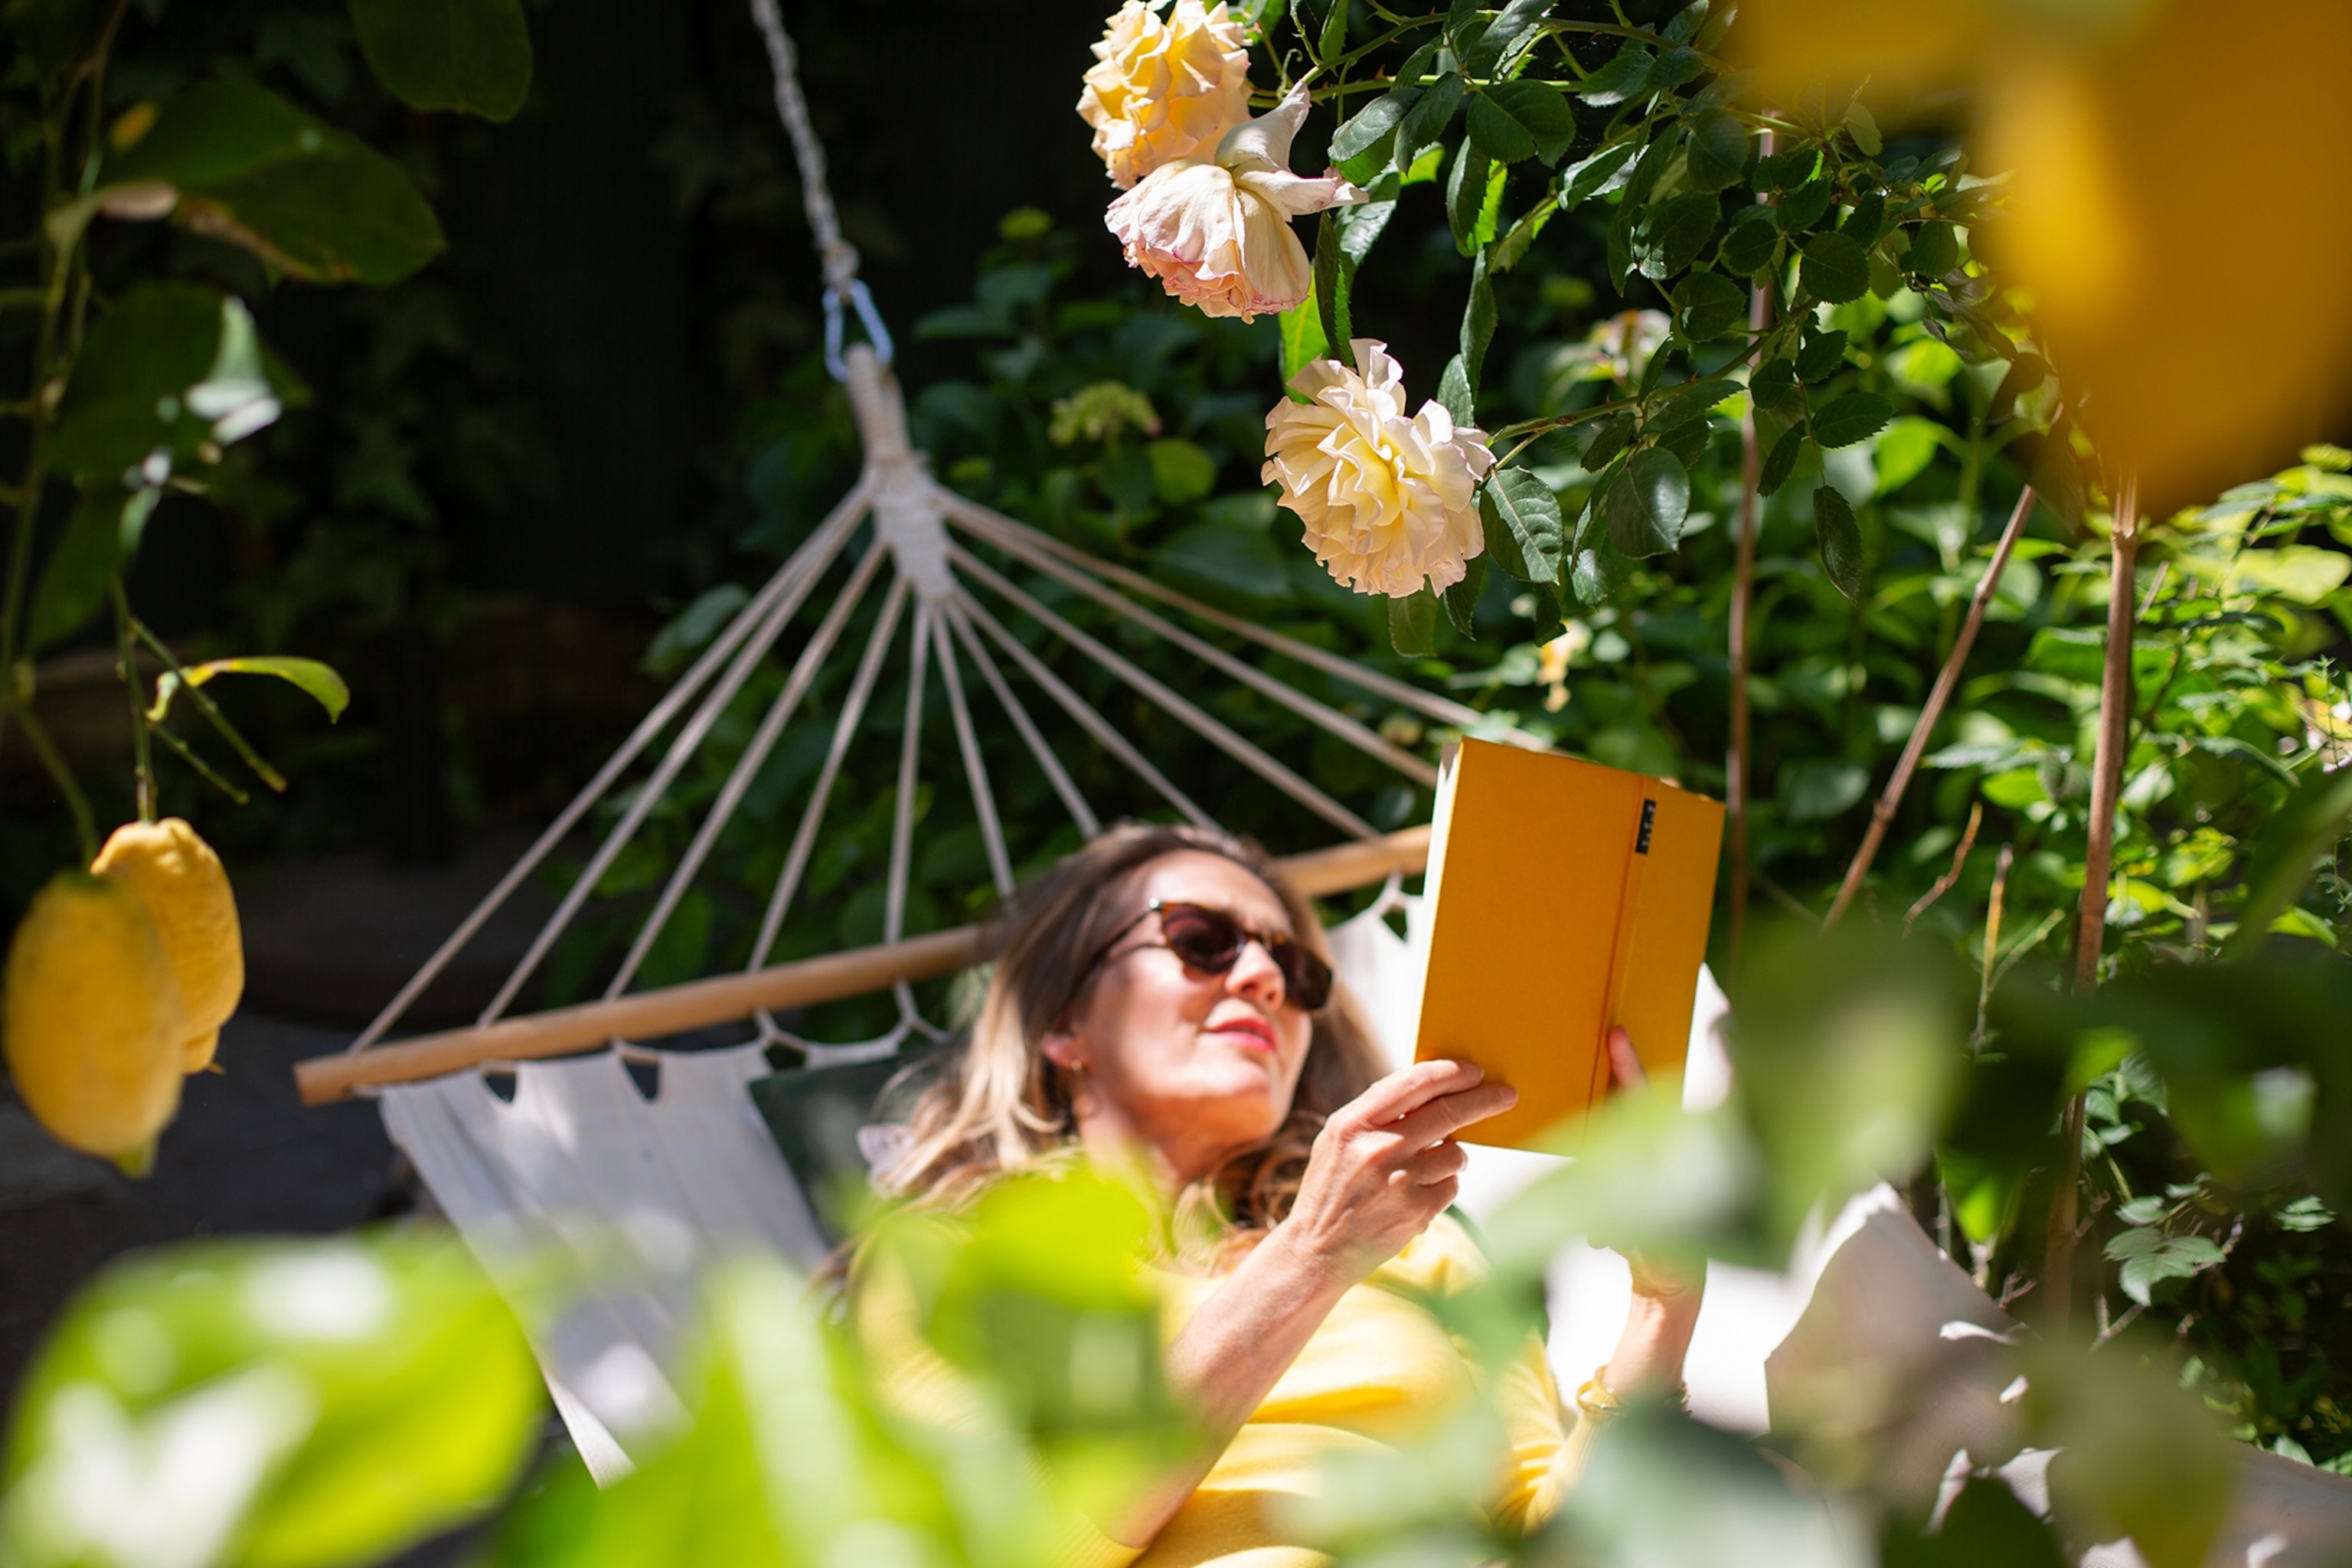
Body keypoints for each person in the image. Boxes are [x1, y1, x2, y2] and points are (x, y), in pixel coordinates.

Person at [866, 824, 1702, 1566]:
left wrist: (1663, 1307)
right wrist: (1309, 1259)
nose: (1264, 973)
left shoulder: (1422, 1242)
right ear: (1063, 1024)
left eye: (1295, 968)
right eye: (1202, 938)